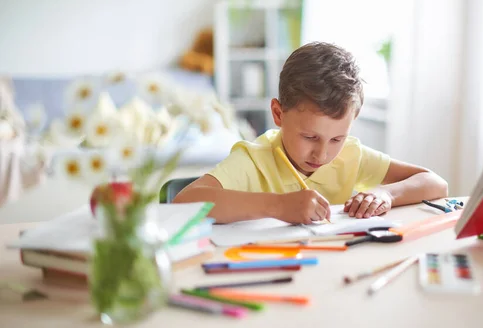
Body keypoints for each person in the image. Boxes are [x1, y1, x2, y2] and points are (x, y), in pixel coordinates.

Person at [174, 42, 448, 223]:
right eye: (310, 137)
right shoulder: (254, 160)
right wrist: (277, 207)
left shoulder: (352, 155)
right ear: (279, 114)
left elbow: (435, 183)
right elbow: (185, 202)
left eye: (337, 139)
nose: (322, 153)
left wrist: (387, 194)